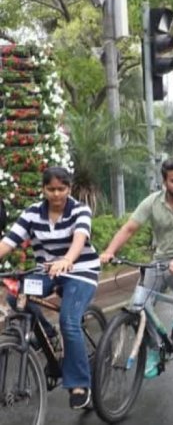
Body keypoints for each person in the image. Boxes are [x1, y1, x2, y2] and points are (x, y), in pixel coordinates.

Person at [100, 159, 173, 379]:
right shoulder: (153, 202)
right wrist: (110, 251)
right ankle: (155, 347)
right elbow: (129, 228)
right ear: (164, 181)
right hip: (160, 260)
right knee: (139, 303)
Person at [0, 167, 100, 409]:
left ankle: (79, 384)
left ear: (69, 188)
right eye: (51, 189)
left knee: (69, 320)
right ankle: (49, 335)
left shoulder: (80, 210)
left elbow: (79, 239)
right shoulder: (32, 213)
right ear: (43, 189)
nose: (56, 194)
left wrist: (67, 260)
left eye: (61, 189)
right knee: (16, 296)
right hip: (46, 271)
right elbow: (8, 242)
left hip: (80, 271)